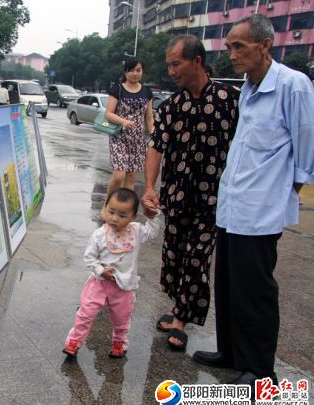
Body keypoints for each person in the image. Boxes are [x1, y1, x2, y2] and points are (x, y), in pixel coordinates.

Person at [192, 14, 314, 388]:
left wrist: (281, 197)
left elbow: (306, 153)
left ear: (265, 45)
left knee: (255, 291)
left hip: (260, 211)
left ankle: (261, 369)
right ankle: (231, 352)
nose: (232, 54)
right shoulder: (248, 86)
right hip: (232, 206)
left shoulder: (294, 86)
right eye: (229, 47)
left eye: (239, 47)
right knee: (229, 284)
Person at [142, 35, 240, 351]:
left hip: (214, 198)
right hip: (176, 195)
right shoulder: (171, 106)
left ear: (196, 61)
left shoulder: (230, 99)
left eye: (176, 63)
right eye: (169, 64)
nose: (171, 71)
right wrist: (149, 188)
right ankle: (177, 306)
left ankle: (181, 321)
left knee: (197, 257)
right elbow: (156, 148)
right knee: (174, 255)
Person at [63, 188, 162, 358]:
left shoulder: (136, 231)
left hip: (124, 286)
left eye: (123, 215)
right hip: (99, 283)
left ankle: (119, 343)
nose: (115, 218)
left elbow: (153, 231)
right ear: (104, 209)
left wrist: (153, 215)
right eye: (111, 212)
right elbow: (89, 258)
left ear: (133, 217)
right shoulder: (99, 234)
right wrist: (101, 271)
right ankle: (74, 342)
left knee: (122, 318)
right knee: (85, 313)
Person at [104, 58, 154, 195]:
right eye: (131, 70)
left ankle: (125, 210)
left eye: (138, 70)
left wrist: (154, 136)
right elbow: (108, 113)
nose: (135, 73)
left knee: (131, 177)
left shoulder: (147, 92)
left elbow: (149, 118)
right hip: (119, 137)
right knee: (119, 175)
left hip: (138, 140)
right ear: (125, 72)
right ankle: (108, 205)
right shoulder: (117, 89)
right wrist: (123, 121)